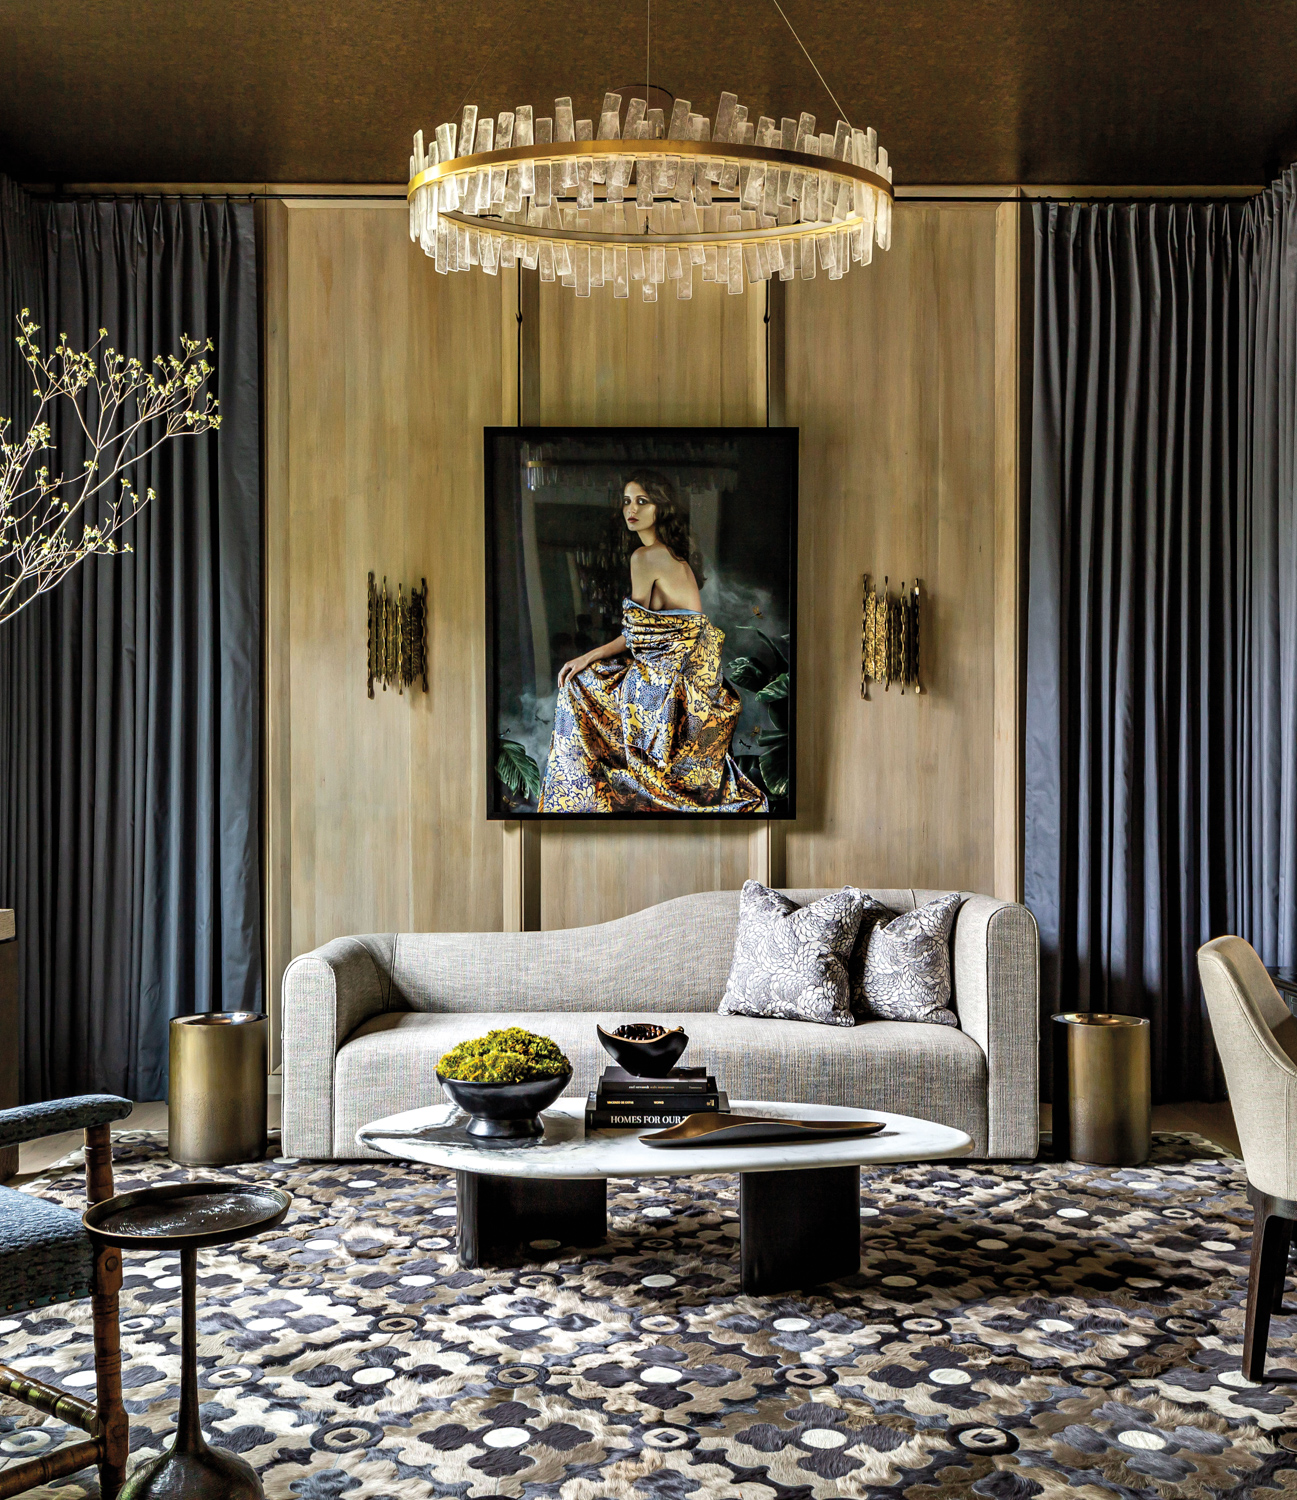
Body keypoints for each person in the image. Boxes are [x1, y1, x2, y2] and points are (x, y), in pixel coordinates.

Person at [539, 470, 767, 814]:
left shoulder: (645, 557)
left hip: (677, 685)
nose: (632, 509)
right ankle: (602, 796)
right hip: (698, 683)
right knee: (594, 683)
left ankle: (586, 803)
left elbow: (633, 637)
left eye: (642, 501)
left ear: (660, 508)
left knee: (579, 686)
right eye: (627, 501)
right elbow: (648, 634)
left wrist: (586, 657)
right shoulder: (674, 558)